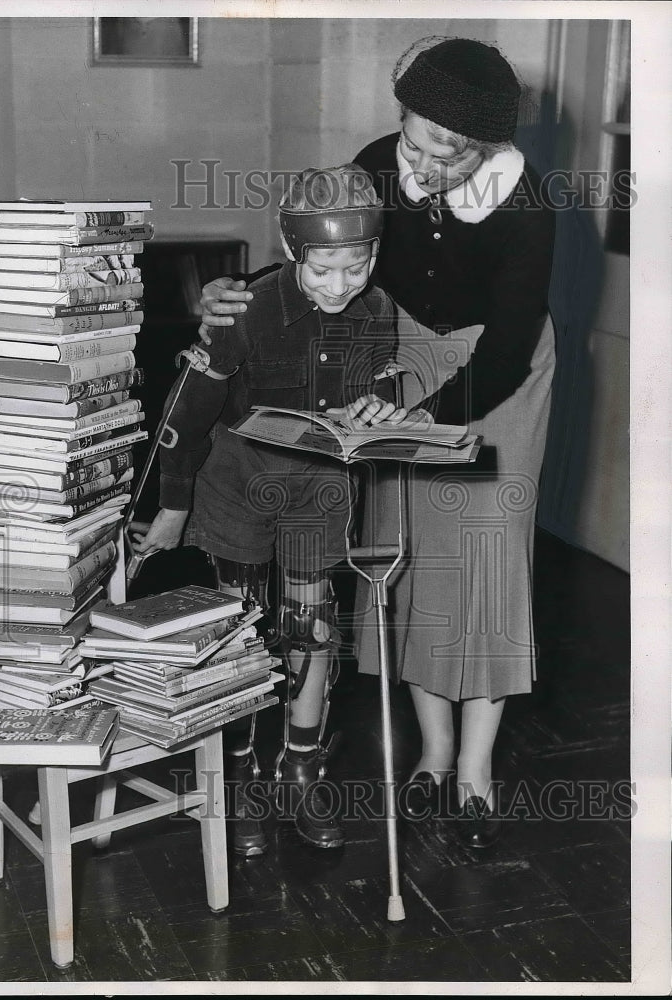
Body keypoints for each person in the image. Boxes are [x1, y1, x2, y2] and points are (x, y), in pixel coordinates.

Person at [196, 36, 557, 849]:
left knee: (487, 563)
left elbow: (505, 341)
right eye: (418, 144)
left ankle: (475, 773)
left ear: (489, 146)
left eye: (452, 155)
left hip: (499, 376)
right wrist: (236, 297)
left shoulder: (526, 196)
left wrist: (421, 407)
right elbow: (328, 264)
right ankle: (430, 757)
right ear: (401, 119)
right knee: (409, 554)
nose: (427, 168)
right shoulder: (372, 163)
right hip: (398, 360)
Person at [131, 163, 418, 856]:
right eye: (323, 270)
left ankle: (300, 765)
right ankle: (242, 777)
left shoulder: (378, 312)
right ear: (294, 252)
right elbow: (188, 410)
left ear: (373, 255)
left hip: (317, 492)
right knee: (241, 632)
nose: (339, 285)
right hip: (236, 486)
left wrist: (380, 405)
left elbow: (366, 392)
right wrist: (172, 505)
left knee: (311, 629)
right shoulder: (248, 309)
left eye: (354, 267)